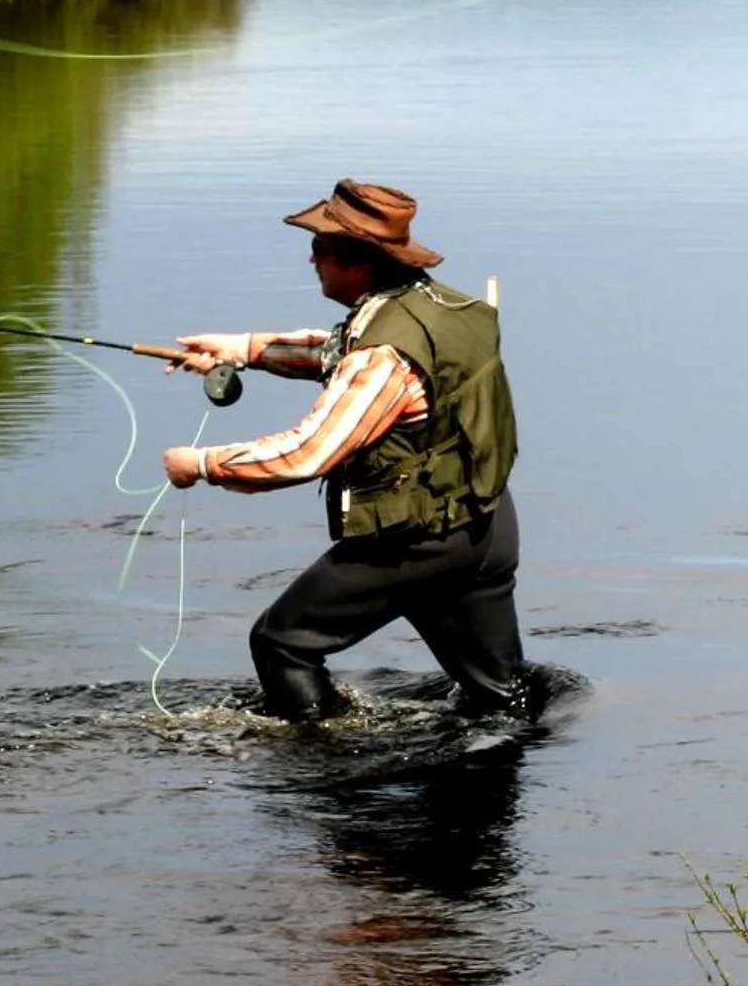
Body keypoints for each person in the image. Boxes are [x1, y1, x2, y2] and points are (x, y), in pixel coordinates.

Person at [162, 179, 525, 726]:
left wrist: (203, 464)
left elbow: (308, 453)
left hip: (413, 543)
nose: (312, 259)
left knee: (282, 641)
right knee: (500, 698)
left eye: (321, 250)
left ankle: (324, 762)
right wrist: (243, 349)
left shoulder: (384, 353)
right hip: (485, 526)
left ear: (360, 263)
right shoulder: (442, 306)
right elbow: (342, 353)